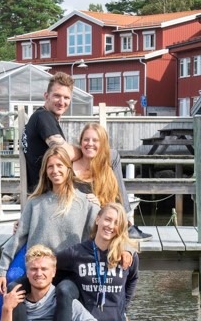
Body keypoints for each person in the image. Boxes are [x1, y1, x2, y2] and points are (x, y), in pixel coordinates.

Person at [0, 146, 99, 321]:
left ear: (69, 168)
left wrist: (124, 251)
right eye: (50, 167)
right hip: (38, 271)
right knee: (14, 288)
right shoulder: (35, 203)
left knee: (63, 292)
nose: (55, 170)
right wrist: (2, 270)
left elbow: (101, 237)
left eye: (60, 165)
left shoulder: (86, 203)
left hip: (68, 273)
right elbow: (17, 239)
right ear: (45, 172)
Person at [23, 72, 151, 240]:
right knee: (111, 155)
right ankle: (125, 220)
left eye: (66, 98)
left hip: (52, 183)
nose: (62, 102)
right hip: (50, 187)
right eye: (57, 96)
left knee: (101, 164)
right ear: (46, 96)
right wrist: (85, 151)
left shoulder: (42, 118)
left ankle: (115, 214)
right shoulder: (43, 117)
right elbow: (65, 154)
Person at [72, 124, 146, 321]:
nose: (90, 144)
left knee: (121, 265)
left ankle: (122, 317)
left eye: (95, 140)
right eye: (86, 139)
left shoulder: (106, 170)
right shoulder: (71, 167)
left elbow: (117, 204)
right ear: (80, 141)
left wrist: (101, 204)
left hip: (103, 230)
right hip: (78, 230)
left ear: (102, 144)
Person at [53, 203, 139, 321]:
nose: (110, 226)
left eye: (116, 223)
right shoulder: (77, 253)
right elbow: (50, 268)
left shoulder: (127, 256)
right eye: (107, 219)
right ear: (98, 219)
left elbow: (132, 280)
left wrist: (123, 307)